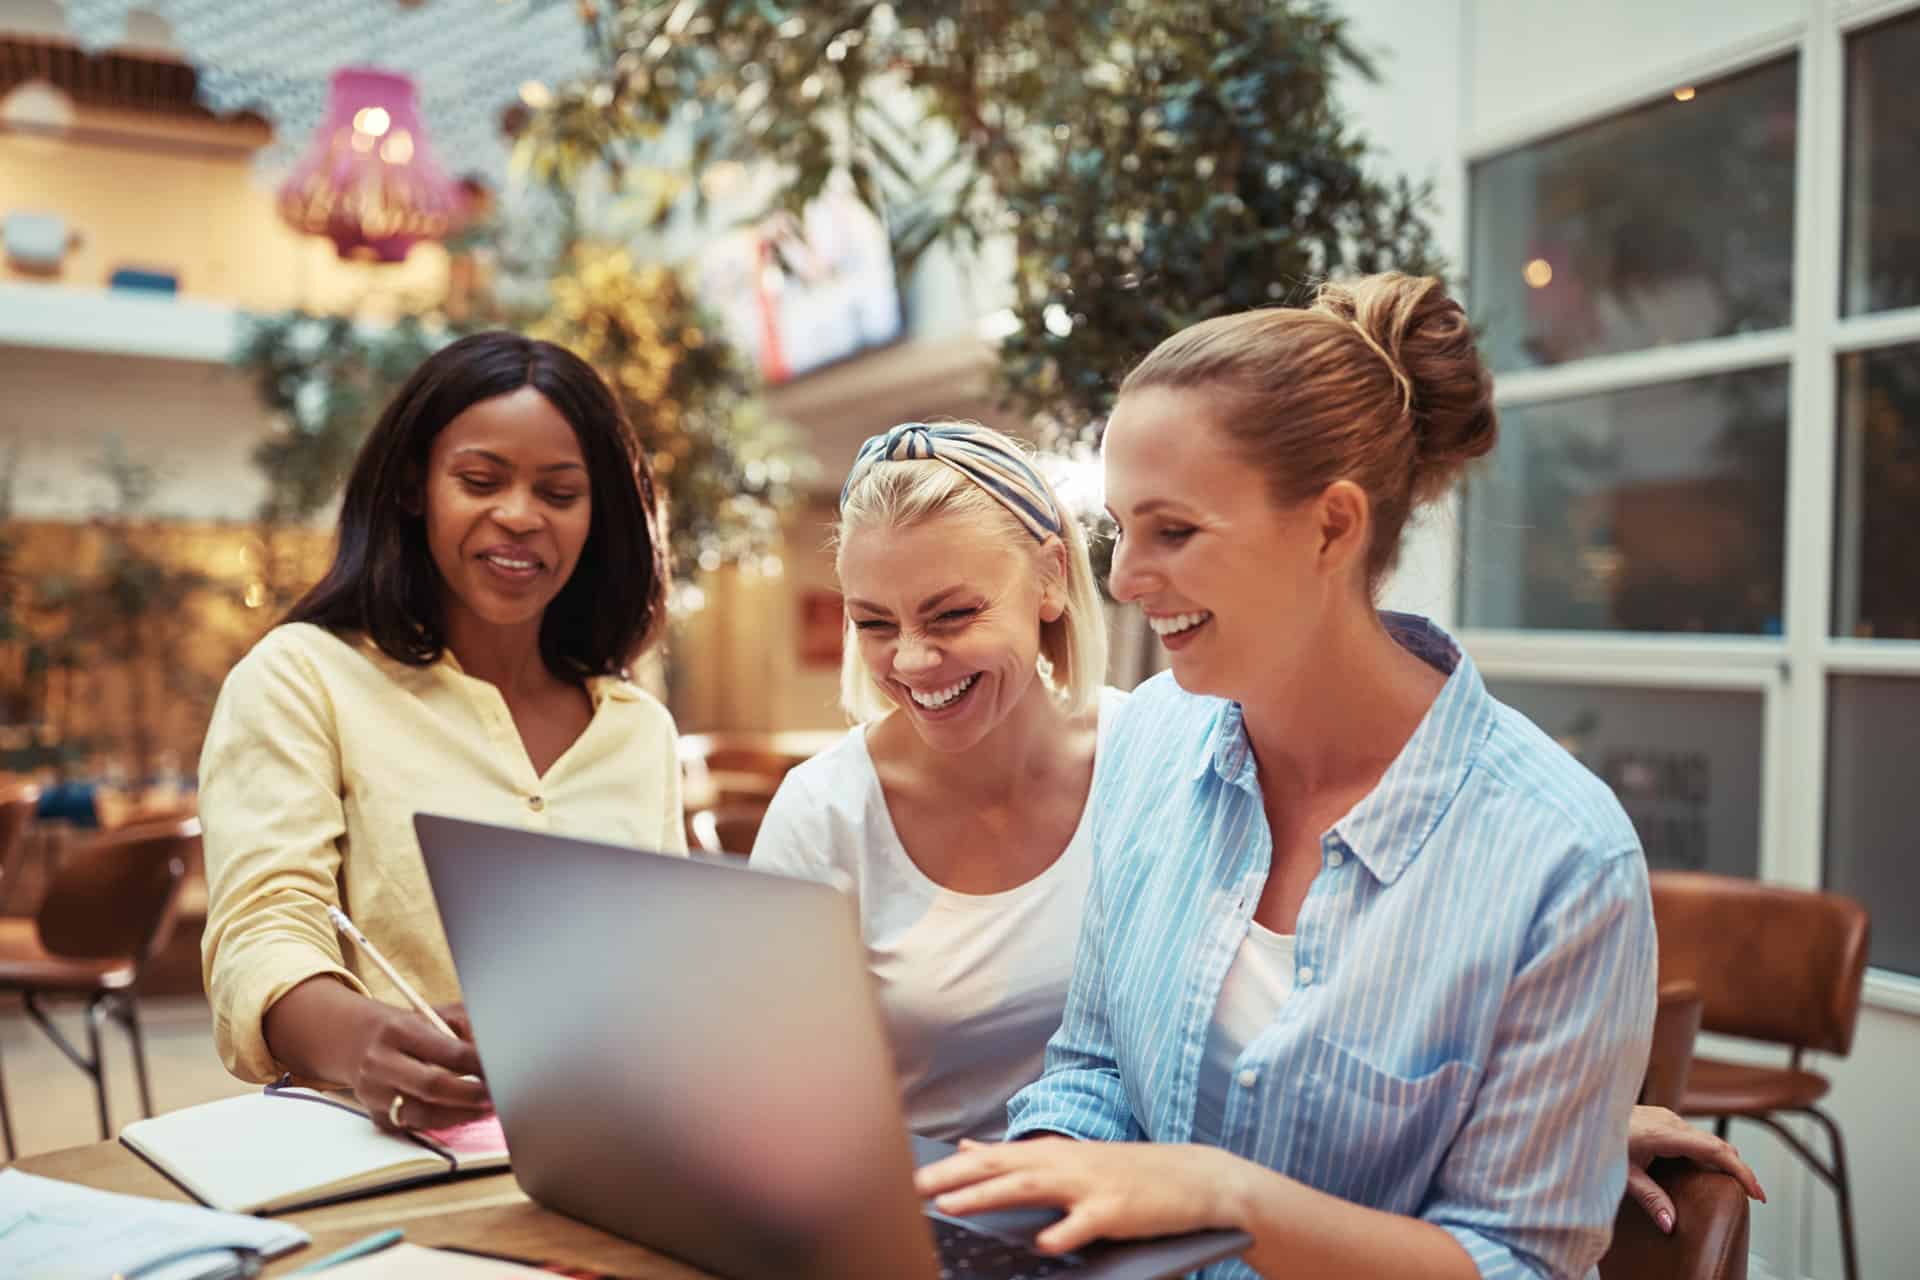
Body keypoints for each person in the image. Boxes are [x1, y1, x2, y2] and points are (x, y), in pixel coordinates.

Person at [913, 273, 1673, 1278]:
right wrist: (1037, 1185)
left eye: (1172, 530)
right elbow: (1092, 1063)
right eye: (1119, 527)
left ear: (1331, 525)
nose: (1122, 579)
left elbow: (1517, 1263)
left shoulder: (1564, 858)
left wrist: (1230, 1198)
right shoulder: (1152, 743)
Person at [199, 331, 683, 1134]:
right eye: (480, 480)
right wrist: (362, 1044)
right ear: (415, 488)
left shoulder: (639, 732)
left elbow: (667, 975)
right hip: (387, 1153)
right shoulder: (301, 679)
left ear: (599, 518)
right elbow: (263, 930)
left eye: (561, 494)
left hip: (619, 1145)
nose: (521, 516)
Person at [750, 420, 1117, 1141]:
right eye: (875, 623)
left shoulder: (1154, 757)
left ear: (1051, 578)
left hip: (1141, 1217)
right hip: (916, 1223)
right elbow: (772, 1095)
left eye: (953, 614)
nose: (914, 663)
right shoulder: (824, 810)